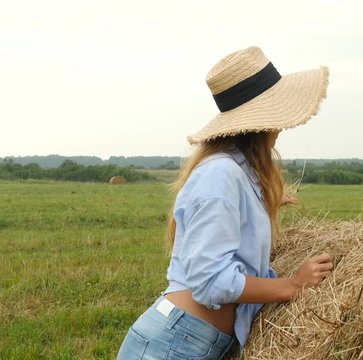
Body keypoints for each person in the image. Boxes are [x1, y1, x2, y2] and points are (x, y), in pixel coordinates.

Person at [117, 46, 332, 359]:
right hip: (173, 346)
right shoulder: (221, 174)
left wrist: (264, 203)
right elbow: (212, 282)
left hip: (186, 340)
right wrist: (293, 285)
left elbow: (228, 234)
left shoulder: (233, 172)